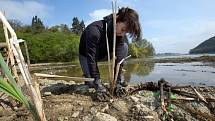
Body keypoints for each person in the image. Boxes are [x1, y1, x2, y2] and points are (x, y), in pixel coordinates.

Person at [79, 7, 141, 101]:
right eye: (123, 29)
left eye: (126, 32)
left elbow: (119, 60)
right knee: (91, 84)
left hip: (105, 54)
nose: (123, 34)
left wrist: (117, 82)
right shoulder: (94, 30)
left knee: (124, 47)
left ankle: (118, 81)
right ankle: (88, 77)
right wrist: (97, 82)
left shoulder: (119, 35)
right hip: (86, 56)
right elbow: (91, 57)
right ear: (117, 18)